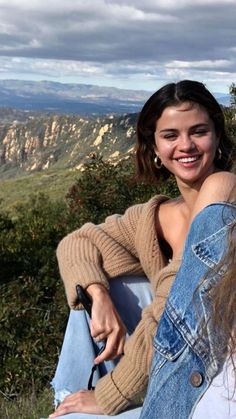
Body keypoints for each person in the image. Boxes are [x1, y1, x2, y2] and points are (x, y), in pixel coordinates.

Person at [49, 80, 236, 418]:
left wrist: (111, 394)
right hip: (176, 363)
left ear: (217, 137)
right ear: (154, 147)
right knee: (90, 295)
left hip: (217, 376)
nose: (186, 146)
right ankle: (64, 402)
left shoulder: (225, 194)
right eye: (170, 136)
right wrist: (97, 294)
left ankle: (69, 406)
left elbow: (178, 308)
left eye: (198, 131)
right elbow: (76, 243)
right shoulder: (156, 217)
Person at [140, 200, 236, 419]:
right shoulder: (162, 215)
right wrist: (97, 292)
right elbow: (81, 241)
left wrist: (114, 392)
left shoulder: (219, 189)